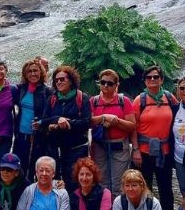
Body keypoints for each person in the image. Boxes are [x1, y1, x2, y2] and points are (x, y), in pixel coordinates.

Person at [131, 65, 177, 210]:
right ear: (144, 81)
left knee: (166, 190)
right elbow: (133, 127)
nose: (152, 80)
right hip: (143, 153)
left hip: (164, 153)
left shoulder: (170, 98)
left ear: (161, 79)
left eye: (156, 77)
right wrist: (135, 150)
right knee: (144, 190)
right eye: (149, 77)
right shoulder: (139, 100)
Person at [37, 65, 90, 193]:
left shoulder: (82, 98)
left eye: (62, 79)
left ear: (71, 80)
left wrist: (68, 123)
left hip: (76, 149)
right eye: (56, 80)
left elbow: (86, 122)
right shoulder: (53, 99)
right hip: (55, 148)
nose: (59, 82)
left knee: (73, 181)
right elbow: (43, 121)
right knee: (55, 180)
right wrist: (57, 119)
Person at [89, 69, 136, 194]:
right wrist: (103, 117)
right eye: (103, 82)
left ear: (116, 85)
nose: (105, 85)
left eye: (110, 83)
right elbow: (88, 121)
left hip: (119, 146)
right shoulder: (93, 101)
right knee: (101, 180)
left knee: (117, 182)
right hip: (99, 146)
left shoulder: (124, 101)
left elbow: (132, 125)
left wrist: (117, 122)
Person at [12, 59, 52, 182]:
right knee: (20, 167)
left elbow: (51, 114)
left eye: (35, 70)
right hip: (21, 135)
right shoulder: (20, 89)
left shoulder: (47, 91)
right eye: (29, 71)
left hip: (39, 136)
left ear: (41, 72)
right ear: (25, 74)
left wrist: (41, 124)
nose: (32, 74)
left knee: (36, 166)